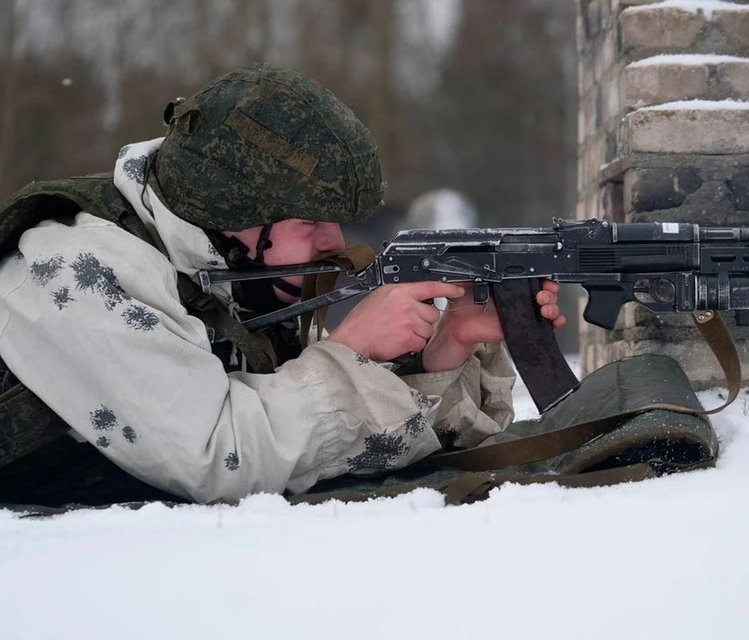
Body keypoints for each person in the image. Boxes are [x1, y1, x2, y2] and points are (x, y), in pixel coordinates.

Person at [0, 64, 564, 504]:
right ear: (237, 213)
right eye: (310, 221)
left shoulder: (219, 272)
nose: (331, 241)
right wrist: (348, 351)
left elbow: (309, 442)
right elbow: (220, 457)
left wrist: (441, 354)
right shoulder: (81, 269)